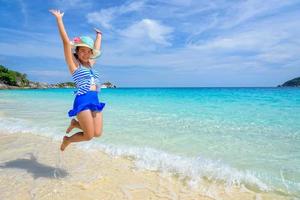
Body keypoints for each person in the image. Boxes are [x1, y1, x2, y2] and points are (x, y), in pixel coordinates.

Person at [49, 9, 105, 151]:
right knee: (88, 136)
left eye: (88, 51)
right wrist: (59, 19)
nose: (86, 54)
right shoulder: (74, 65)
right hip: (83, 100)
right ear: (77, 52)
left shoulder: (91, 64)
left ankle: (75, 123)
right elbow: (66, 43)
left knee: (97, 133)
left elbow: (96, 51)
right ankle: (67, 140)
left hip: (95, 100)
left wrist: (99, 36)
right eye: (82, 51)